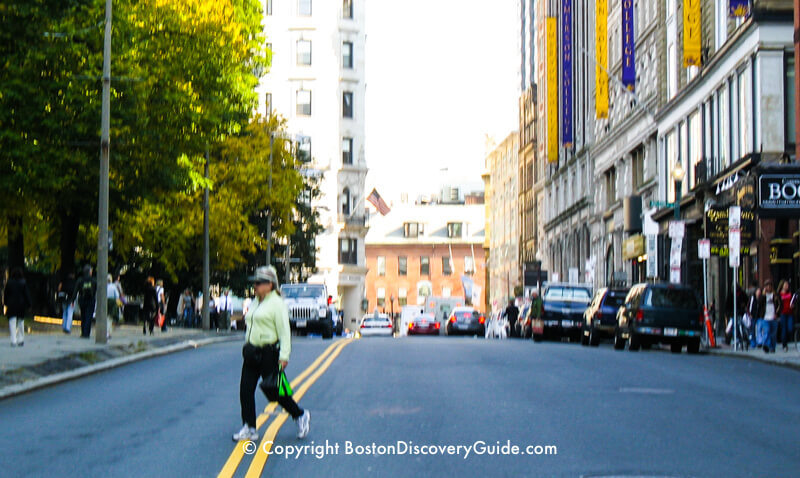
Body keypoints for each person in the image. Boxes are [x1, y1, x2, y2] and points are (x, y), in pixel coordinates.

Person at [233, 266, 310, 442]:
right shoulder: (255, 302)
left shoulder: (277, 304)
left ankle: (299, 414)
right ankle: (250, 427)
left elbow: (284, 331)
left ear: (270, 285)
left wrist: (284, 355)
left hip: (269, 352)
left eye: (259, 283)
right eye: (255, 283)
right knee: (245, 390)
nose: (256, 286)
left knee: (275, 392)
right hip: (252, 351)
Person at [4, 267, 31, 347]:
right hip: (21, 305)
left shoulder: (9, 283)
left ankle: (13, 340)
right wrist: (29, 304)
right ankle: (20, 339)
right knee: (20, 322)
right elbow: (26, 295)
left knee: (12, 322)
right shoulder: (23, 283)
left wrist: (6, 303)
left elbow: (6, 294)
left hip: (11, 304)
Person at [75, 265, 97, 339]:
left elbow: (76, 291)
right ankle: (86, 333)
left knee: (83, 316)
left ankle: (83, 332)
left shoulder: (80, 280)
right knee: (89, 317)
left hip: (82, 300)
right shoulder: (94, 280)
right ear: (89, 272)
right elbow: (97, 290)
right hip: (91, 300)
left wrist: (72, 300)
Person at [761, 280, 781, 353]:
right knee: (766, 331)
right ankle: (766, 345)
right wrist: (763, 295)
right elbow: (759, 304)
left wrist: (777, 314)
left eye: (770, 286)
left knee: (773, 334)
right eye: (767, 286)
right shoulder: (763, 296)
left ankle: (772, 347)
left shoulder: (776, 295)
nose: (768, 287)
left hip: (773, 317)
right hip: (765, 317)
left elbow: (779, 305)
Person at [778, 280, 794, 352]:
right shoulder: (779, 294)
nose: (787, 286)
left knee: (790, 328)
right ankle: (784, 344)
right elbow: (777, 304)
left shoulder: (790, 294)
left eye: (787, 285)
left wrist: (793, 306)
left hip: (790, 313)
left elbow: (794, 302)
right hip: (783, 313)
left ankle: (788, 339)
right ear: (782, 286)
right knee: (784, 329)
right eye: (785, 285)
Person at [105, 274, 119, 340]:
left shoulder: (103, 286)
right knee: (109, 318)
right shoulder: (113, 286)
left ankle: (107, 332)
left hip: (104, 302)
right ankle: (108, 332)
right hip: (112, 303)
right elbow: (117, 296)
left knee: (106, 318)